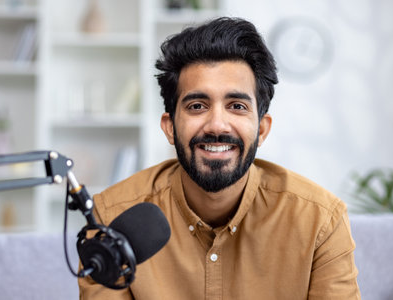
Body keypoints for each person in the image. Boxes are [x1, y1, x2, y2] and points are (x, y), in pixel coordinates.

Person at [79, 17, 360, 299]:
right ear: (169, 127)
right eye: (197, 106)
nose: (217, 125)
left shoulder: (321, 221)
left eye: (236, 106)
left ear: (261, 129)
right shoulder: (110, 220)